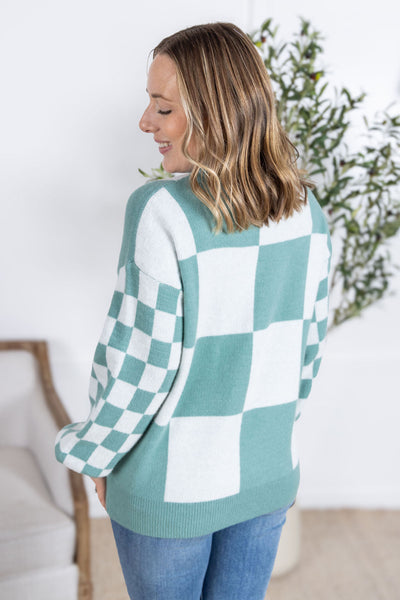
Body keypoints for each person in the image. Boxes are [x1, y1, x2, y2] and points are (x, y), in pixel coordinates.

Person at [55, 22, 331, 600]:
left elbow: (139, 364)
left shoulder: (161, 211)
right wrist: (269, 443)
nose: (145, 122)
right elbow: (305, 355)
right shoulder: (307, 211)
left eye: (163, 108)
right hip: (266, 473)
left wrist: (96, 452)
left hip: (169, 485)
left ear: (214, 111)